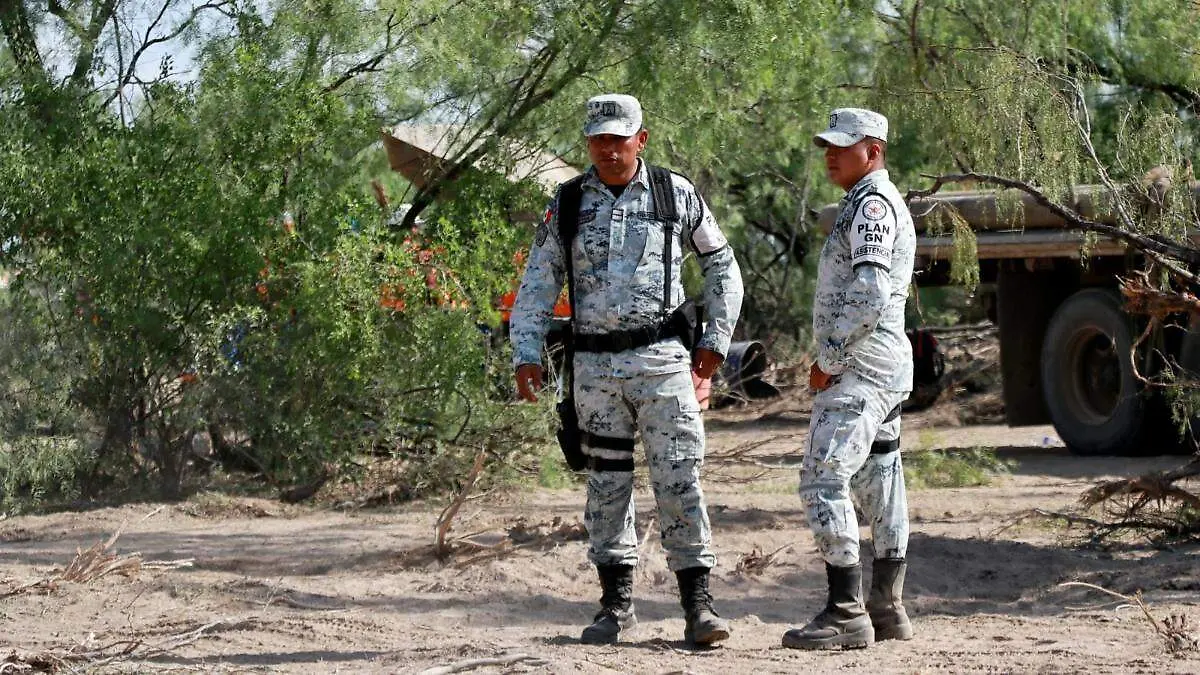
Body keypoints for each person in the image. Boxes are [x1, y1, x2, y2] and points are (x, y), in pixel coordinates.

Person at [510, 93, 744, 646]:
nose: (608, 149)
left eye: (618, 139)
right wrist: (525, 353)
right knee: (607, 486)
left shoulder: (674, 193)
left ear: (641, 138)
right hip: (593, 370)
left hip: (664, 363)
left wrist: (715, 343)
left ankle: (699, 607)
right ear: (587, 143)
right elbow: (538, 282)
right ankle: (614, 608)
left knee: (679, 478)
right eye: (598, 140)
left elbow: (723, 267)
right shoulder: (567, 202)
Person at [781, 108, 916, 650]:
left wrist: (829, 359)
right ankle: (887, 606)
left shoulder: (872, 207)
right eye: (828, 146)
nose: (830, 155)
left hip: (861, 366)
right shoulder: (866, 204)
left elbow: (871, 293)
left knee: (822, 477)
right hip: (883, 365)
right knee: (879, 475)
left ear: (874, 151)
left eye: (844, 146)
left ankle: (845, 611)